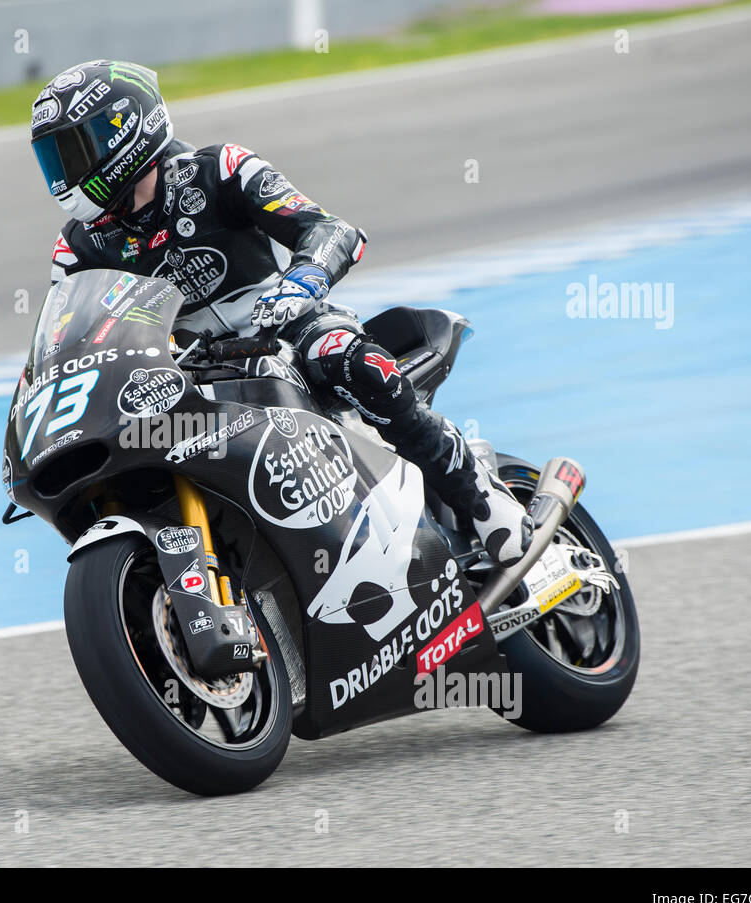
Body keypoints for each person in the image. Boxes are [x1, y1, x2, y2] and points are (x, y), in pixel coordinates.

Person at [30, 60, 531, 566]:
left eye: (72, 151)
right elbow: (64, 339)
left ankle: (479, 497)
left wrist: (304, 279)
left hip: (287, 327)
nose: (62, 174)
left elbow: (332, 229)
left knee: (341, 356)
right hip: (188, 371)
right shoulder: (76, 249)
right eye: (52, 159)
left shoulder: (219, 170)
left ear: (125, 131)